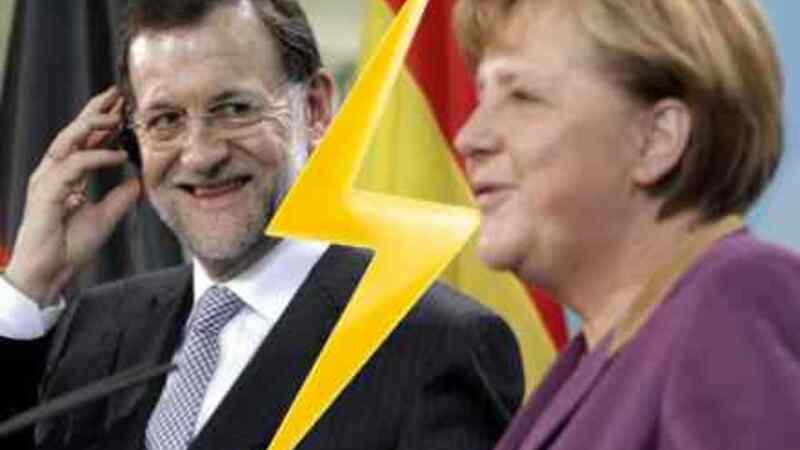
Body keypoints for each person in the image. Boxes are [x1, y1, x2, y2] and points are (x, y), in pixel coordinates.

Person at [0, 0, 525, 449]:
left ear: (315, 108)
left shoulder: (435, 343)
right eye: (166, 120)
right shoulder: (95, 327)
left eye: (233, 108)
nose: (200, 154)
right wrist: (26, 287)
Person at [452, 0, 800, 449]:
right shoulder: (594, 361)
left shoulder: (734, 296)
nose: (469, 139)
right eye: (482, 96)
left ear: (656, 140)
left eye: (522, 96)